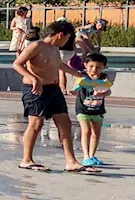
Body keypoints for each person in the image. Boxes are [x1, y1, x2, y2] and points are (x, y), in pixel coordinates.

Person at [12, 20, 96, 174]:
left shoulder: (55, 49)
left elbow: (59, 66)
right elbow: (17, 64)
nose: (67, 42)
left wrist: (79, 74)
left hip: (53, 89)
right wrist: (34, 79)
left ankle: (71, 161)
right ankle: (26, 160)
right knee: (36, 124)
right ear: (60, 35)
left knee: (65, 123)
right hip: (35, 90)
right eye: (67, 38)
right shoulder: (36, 46)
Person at [73, 53, 114, 168]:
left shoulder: (104, 78)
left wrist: (103, 93)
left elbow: (109, 91)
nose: (94, 70)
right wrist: (74, 91)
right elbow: (76, 87)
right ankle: (86, 156)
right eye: (91, 66)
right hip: (83, 110)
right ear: (85, 65)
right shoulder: (82, 76)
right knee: (86, 131)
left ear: (104, 67)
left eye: (98, 67)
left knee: (96, 133)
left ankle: (92, 155)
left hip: (98, 110)